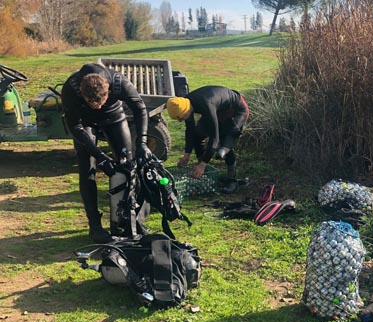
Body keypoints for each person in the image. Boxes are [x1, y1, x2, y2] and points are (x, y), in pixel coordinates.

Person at [62, 63, 153, 243]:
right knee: (87, 168)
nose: (97, 107)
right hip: (84, 123)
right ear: (82, 92)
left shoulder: (119, 82)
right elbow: (75, 127)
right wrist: (100, 156)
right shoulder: (70, 89)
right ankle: (94, 225)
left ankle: (129, 220)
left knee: (128, 166)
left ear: (108, 91)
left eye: (100, 102)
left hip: (114, 117)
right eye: (91, 102)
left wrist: (142, 141)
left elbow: (140, 109)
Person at [166, 86, 250, 194]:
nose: (180, 120)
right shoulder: (185, 103)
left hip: (236, 110)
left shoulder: (206, 104)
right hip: (218, 109)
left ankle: (231, 180)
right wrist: (187, 153)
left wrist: (204, 163)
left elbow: (214, 138)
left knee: (224, 144)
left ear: (186, 110)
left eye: (181, 118)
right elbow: (190, 130)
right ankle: (205, 172)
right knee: (197, 134)